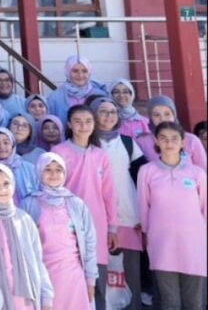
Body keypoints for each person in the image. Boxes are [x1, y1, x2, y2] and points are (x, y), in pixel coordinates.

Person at [51, 105, 117, 310]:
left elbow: (109, 193)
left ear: (94, 124)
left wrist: (113, 227)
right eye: (78, 121)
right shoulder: (58, 152)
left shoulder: (100, 155)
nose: (83, 126)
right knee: (72, 284)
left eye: (88, 121)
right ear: (69, 124)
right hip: (67, 225)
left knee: (97, 284)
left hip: (97, 224)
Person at [137, 121, 207, 310]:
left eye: (174, 139)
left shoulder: (197, 173)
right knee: (169, 302)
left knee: (194, 302)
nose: (169, 143)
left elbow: (204, 208)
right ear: (156, 141)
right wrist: (148, 235)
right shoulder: (147, 171)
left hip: (193, 244)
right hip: (162, 244)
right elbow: (144, 207)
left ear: (183, 142)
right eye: (164, 138)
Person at [21, 152, 99, 310]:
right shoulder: (28, 203)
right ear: (39, 171)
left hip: (73, 275)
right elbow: (23, 245)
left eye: (58, 170)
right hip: (44, 275)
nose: (53, 174)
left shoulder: (76, 204)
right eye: (48, 169)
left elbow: (90, 242)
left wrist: (90, 279)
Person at [90, 97, 145, 310]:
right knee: (101, 277)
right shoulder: (87, 142)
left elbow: (143, 177)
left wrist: (143, 214)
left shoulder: (128, 143)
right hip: (97, 218)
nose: (109, 116)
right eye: (103, 111)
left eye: (113, 112)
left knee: (130, 276)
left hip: (128, 215)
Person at [0, 164, 54, 310]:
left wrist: (46, 297)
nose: (2, 189)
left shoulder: (24, 219)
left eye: (6, 183)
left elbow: (37, 261)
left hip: (25, 297)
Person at [45, 56, 107, 121]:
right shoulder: (55, 97)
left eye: (84, 71)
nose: (80, 75)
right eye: (75, 71)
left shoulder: (100, 95)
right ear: (68, 72)